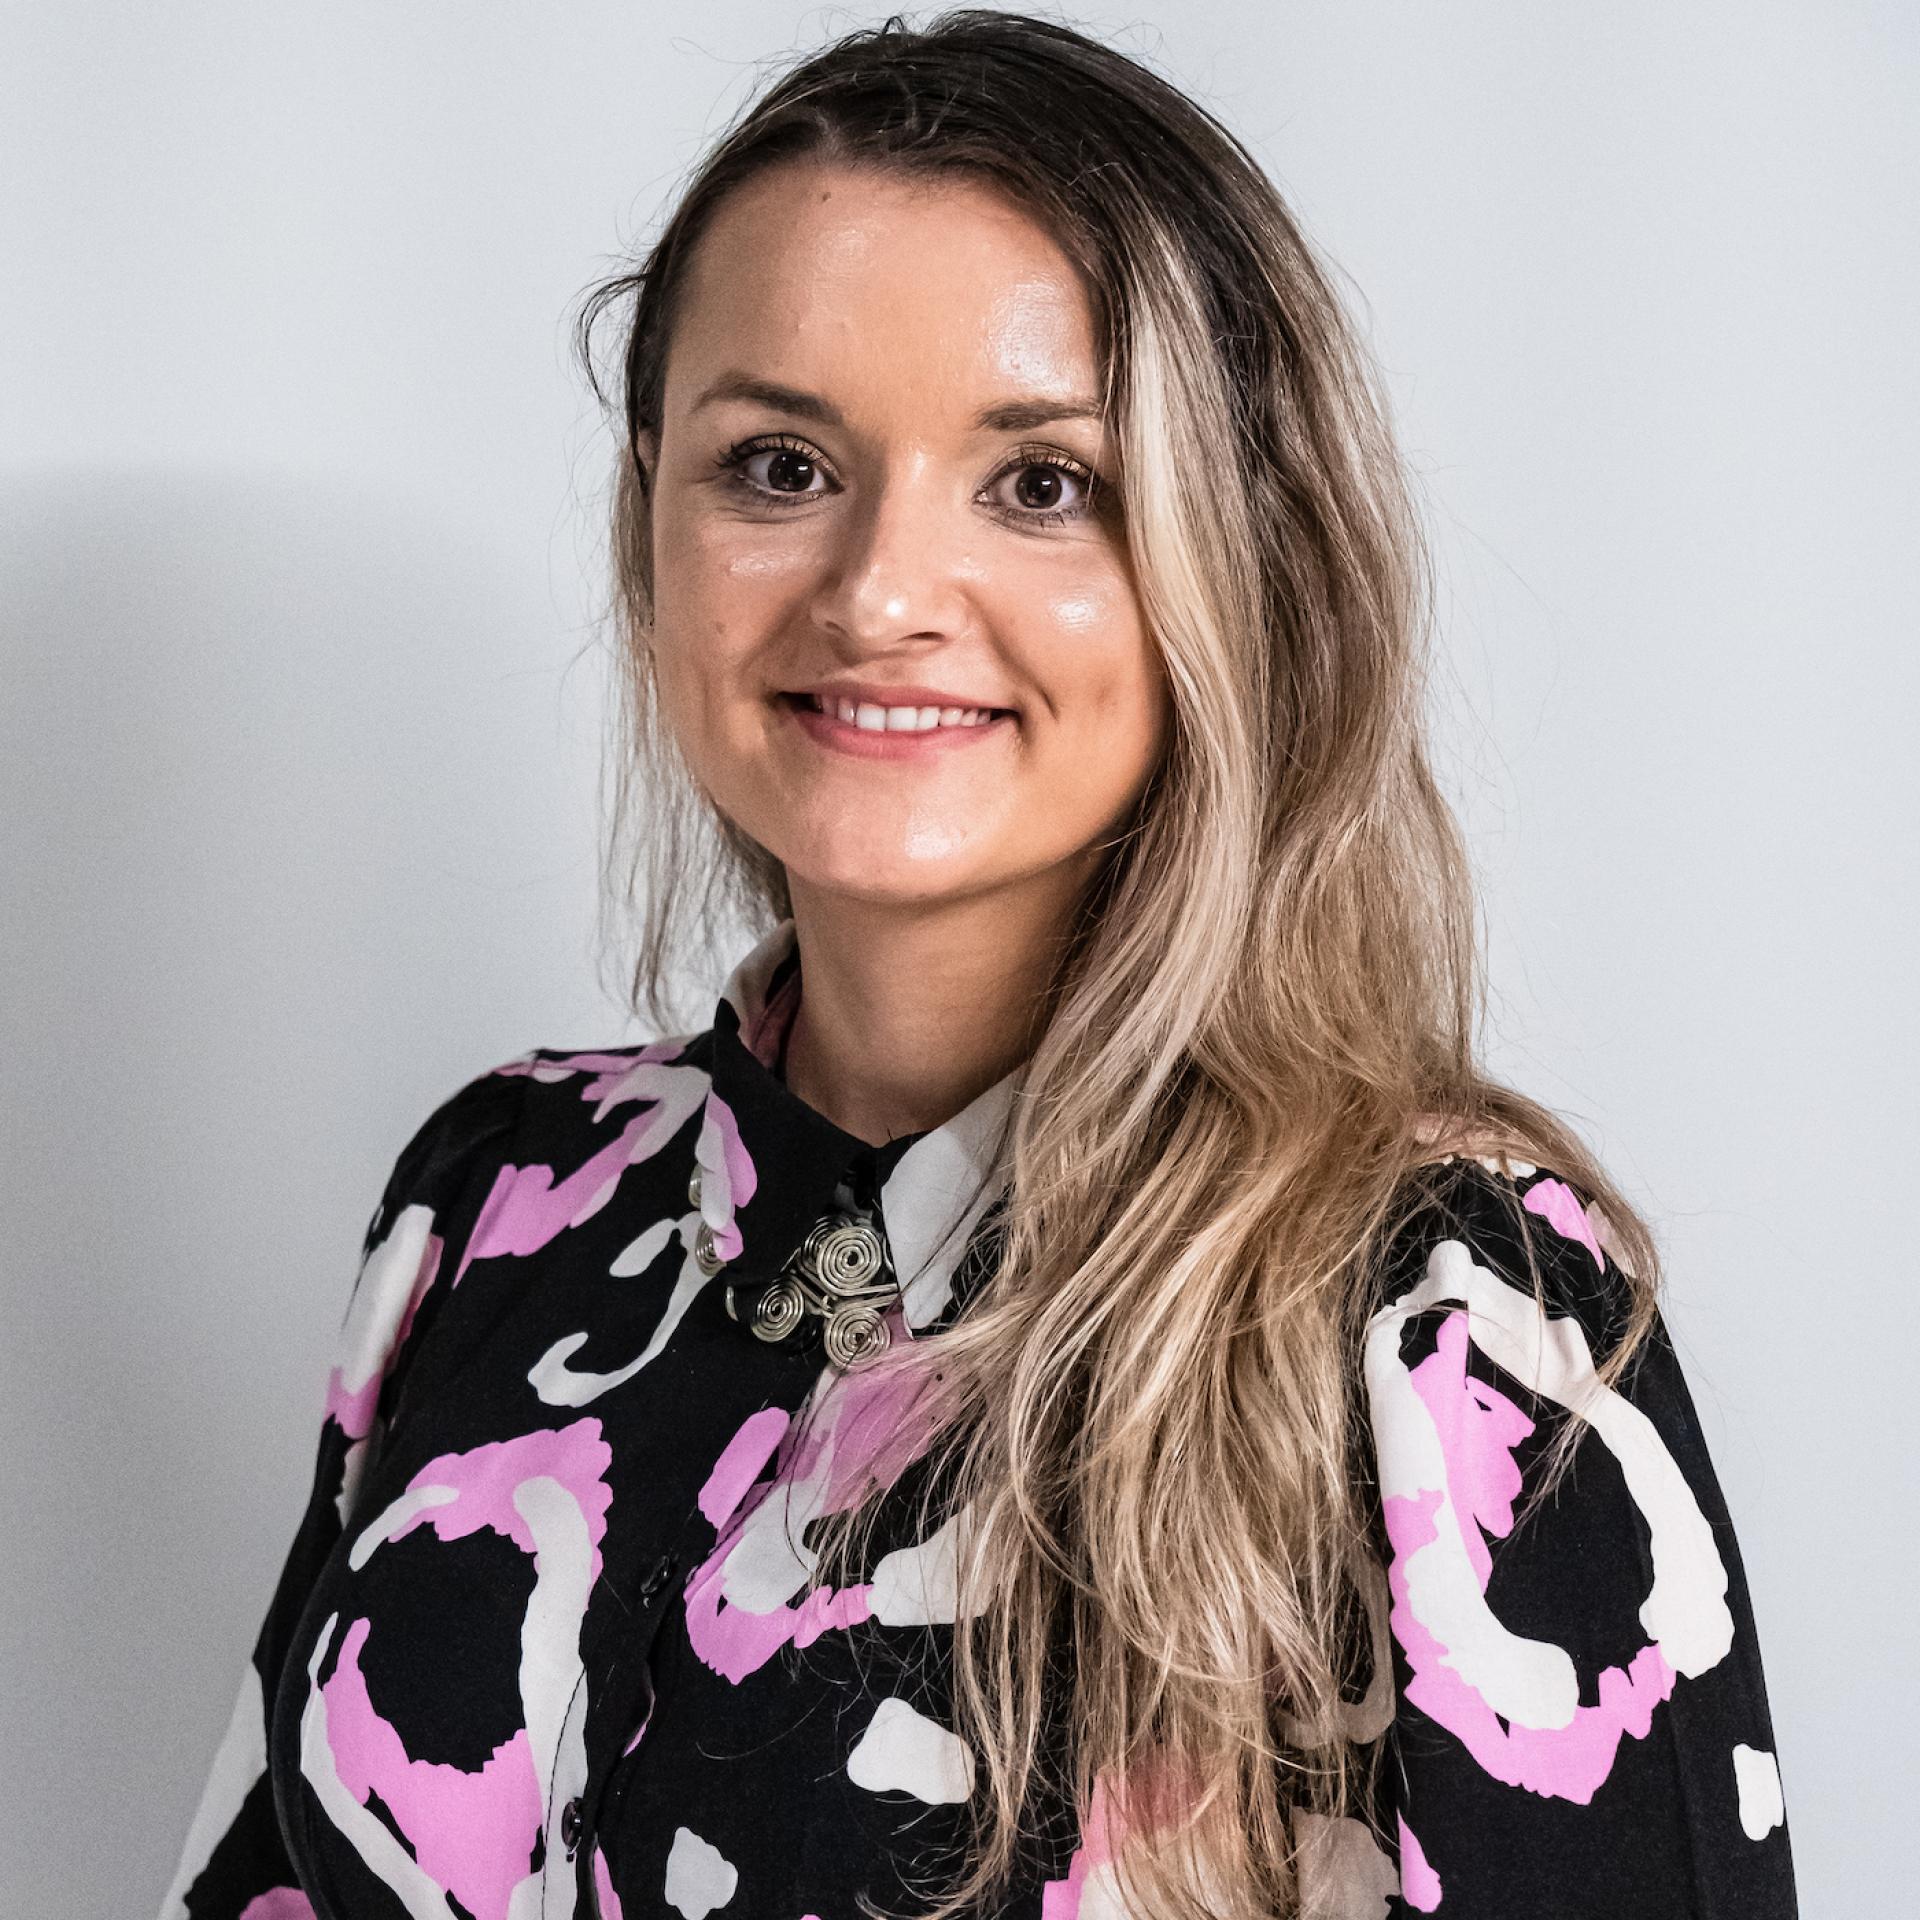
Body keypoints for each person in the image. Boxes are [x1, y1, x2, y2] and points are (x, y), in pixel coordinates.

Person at [158, 12, 1798, 1919]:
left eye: (1041, 484)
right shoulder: (497, 1202)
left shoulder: (1458, 1315)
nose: (877, 594)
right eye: (778, 465)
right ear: (647, 524)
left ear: (1241, 560)